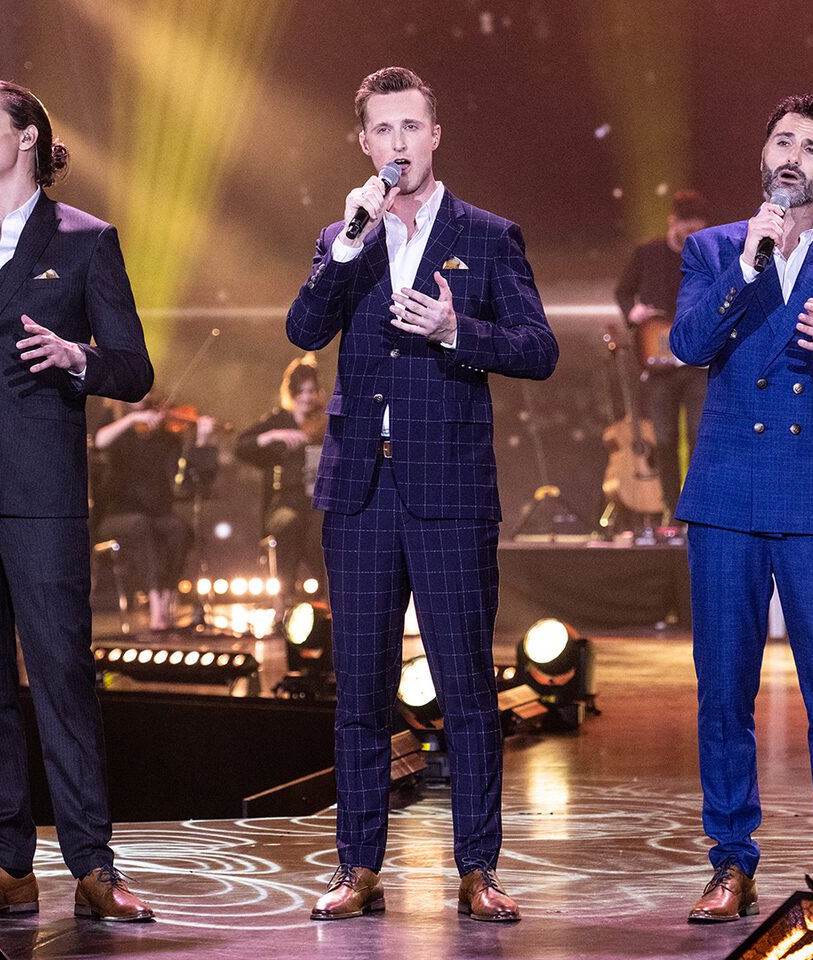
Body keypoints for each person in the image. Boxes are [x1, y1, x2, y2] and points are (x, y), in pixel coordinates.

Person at [286, 67, 557, 923]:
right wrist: (347, 246)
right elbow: (303, 329)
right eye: (382, 129)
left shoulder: (488, 236)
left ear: (435, 135)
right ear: (364, 142)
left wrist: (455, 331)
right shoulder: (345, 234)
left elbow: (538, 348)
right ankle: (357, 867)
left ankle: (478, 869)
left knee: (467, 690)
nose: (398, 143)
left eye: (411, 126)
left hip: (449, 491)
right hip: (359, 491)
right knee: (359, 693)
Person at [669, 92, 813, 922]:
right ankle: (731, 861)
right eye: (782, 141)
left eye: (812, 148)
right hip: (726, 495)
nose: (793, 156)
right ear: (763, 155)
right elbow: (687, 344)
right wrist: (746, 269)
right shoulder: (714, 248)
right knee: (724, 692)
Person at [0, 79, 154, 920]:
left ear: (27, 137)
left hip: (40, 491)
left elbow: (134, 369)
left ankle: (93, 865)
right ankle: (8, 860)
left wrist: (77, 358)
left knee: (62, 673)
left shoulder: (86, 239)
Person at [614, 189, 710, 521]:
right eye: (687, 229)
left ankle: (697, 509)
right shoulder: (648, 253)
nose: (691, 235)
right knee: (665, 439)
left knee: (699, 435)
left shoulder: (708, 253)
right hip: (658, 363)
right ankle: (672, 508)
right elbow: (623, 291)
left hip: (698, 363)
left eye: (697, 230)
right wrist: (634, 312)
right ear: (673, 223)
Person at [94, 395, 218, 630]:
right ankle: (155, 607)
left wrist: (202, 440)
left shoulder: (166, 439)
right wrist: (132, 420)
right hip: (116, 515)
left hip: (157, 514)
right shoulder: (116, 425)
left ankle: (166, 598)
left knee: (180, 530)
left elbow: (183, 484)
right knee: (140, 525)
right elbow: (99, 440)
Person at [235, 357, 328, 601]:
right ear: (292, 393)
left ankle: (324, 598)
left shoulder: (325, 423)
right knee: (289, 524)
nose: (307, 397)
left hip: (317, 503)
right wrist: (272, 435)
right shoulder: (278, 420)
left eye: (311, 391)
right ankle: (283, 597)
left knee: (322, 531)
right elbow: (241, 446)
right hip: (283, 502)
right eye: (301, 392)